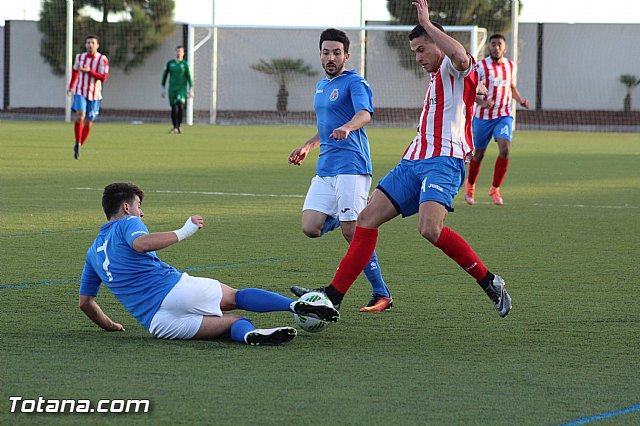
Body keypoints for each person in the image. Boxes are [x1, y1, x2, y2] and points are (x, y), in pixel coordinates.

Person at [300, 0, 511, 319]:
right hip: (412, 161)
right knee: (366, 220)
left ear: (435, 42)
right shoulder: (438, 79)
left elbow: (459, 56)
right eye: (414, 51)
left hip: (444, 161)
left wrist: (427, 24)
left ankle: (489, 280)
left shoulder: (453, 67)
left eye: (422, 49)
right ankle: (333, 296)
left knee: (430, 229)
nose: (418, 57)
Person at [78, 182, 339, 346]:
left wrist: (110, 325)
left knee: (233, 322)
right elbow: (141, 244)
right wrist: (185, 230)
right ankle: (294, 305)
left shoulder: (92, 253)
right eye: (138, 206)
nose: (141, 213)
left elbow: (86, 303)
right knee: (235, 297)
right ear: (126, 207)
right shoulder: (128, 223)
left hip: (157, 323)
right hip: (175, 291)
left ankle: (251, 335)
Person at [287, 28, 392, 313]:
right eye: (326, 52)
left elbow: (365, 114)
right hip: (326, 168)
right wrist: (308, 146)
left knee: (352, 233)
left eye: (336, 52)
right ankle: (353, 219)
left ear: (346, 55)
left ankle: (381, 293)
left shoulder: (355, 82)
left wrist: (348, 126)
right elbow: (325, 128)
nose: (331, 57)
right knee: (311, 227)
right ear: (320, 54)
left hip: (352, 165)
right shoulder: (321, 85)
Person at [464, 34, 530, 206]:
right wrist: (481, 102)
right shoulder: (480, 66)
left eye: (499, 44)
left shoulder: (510, 66)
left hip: (504, 115)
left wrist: (521, 100)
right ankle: (470, 186)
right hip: (483, 118)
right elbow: (470, 90)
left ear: (505, 48)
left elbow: (512, 87)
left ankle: (495, 189)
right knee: (478, 154)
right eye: (493, 44)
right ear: (488, 47)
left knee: (505, 149)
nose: (496, 47)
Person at [67, 35, 109, 160]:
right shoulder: (79, 57)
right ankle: (77, 140)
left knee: (89, 121)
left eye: (92, 42)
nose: (90, 45)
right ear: (85, 45)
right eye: (88, 42)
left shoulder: (102, 59)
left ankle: (79, 145)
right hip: (80, 91)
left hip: (95, 94)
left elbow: (103, 78)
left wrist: (89, 71)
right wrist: (71, 87)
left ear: (97, 45)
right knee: (80, 115)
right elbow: (75, 72)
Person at [161, 46, 194, 134]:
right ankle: (175, 127)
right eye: (178, 51)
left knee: (180, 106)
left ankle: (178, 126)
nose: (179, 53)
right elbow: (165, 75)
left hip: (181, 88)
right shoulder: (170, 63)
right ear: (175, 52)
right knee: (174, 108)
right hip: (172, 88)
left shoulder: (185, 64)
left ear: (183, 53)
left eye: (181, 51)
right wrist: (163, 88)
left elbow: (189, 76)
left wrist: (191, 88)